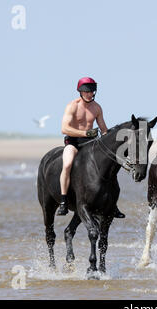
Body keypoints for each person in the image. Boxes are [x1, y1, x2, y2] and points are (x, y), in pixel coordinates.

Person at [57, 77, 125, 218]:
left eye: (92, 92)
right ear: (80, 92)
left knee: (110, 166)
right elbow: (64, 129)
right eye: (87, 92)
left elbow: (104, 129)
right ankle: (63, 201)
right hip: (74, 143)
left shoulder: (97, 107)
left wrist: (110, 140)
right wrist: (85, 132)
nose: (90, 94)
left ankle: (113, 204)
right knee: (68, 164)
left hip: (91, 143)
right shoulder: (72, 106)